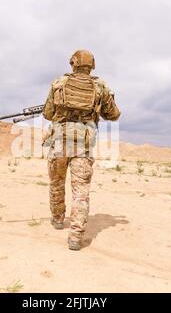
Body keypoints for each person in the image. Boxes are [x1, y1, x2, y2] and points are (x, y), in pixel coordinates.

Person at [42, 50, 121, 251]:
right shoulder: (100, 86)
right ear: (92, 65)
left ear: (73, 63)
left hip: (59, 142)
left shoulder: (58, 83)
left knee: (57, 183)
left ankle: (58, 219)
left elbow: (47, 113)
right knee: (81, 193)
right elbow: (113, 115)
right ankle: (76, 237)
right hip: (83, 146)